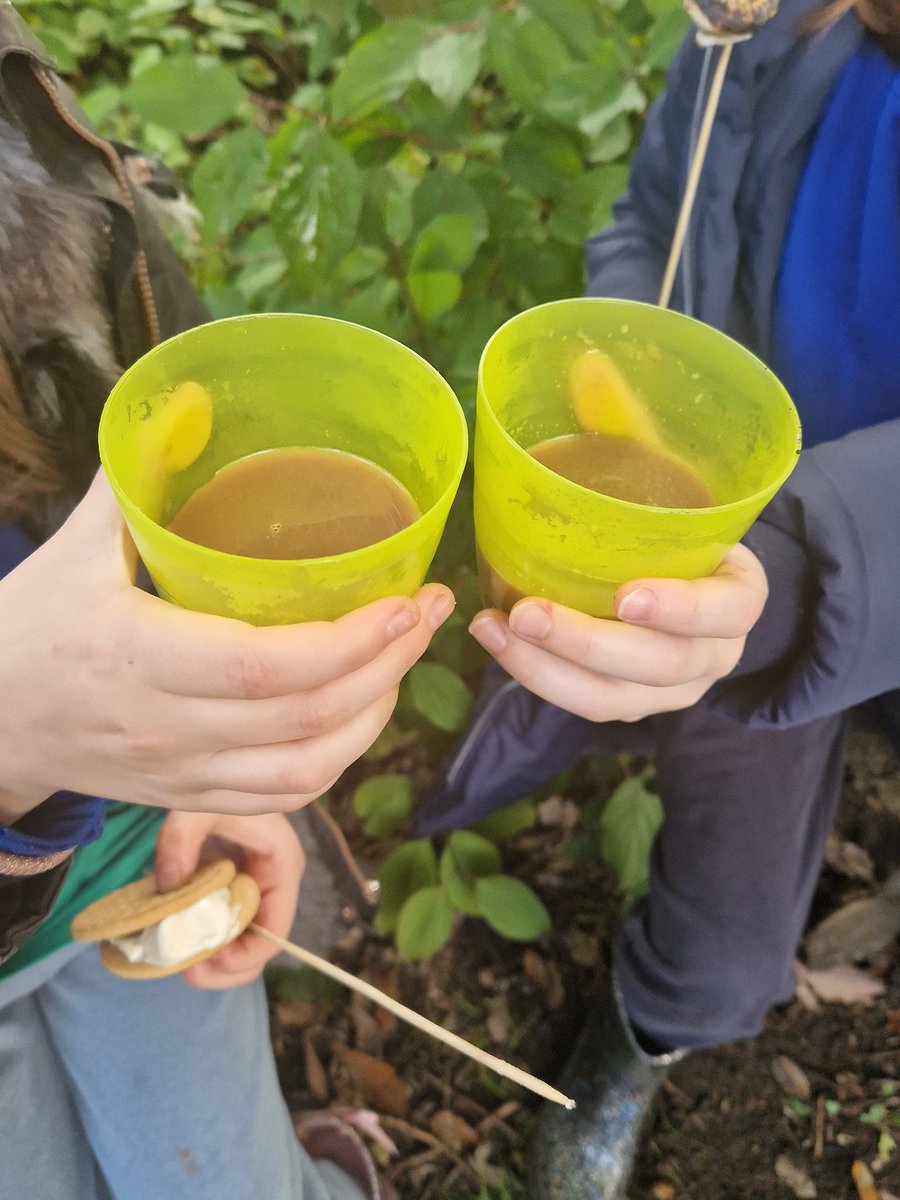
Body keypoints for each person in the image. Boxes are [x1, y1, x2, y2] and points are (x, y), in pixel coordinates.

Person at [417, 0, 900, 1194]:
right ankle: (647, 1034)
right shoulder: (759, 28)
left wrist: (798, 574)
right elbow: (649, 219)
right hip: (720, 540)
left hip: (820, 564)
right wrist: (627, 374)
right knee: (728, 898)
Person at [0, 7, 454, 1199]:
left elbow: (148, 428)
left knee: (214, 1176)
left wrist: (193, 768)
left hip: (126, 844)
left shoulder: (12, 100)